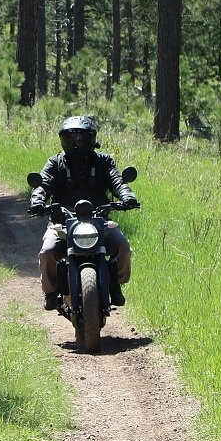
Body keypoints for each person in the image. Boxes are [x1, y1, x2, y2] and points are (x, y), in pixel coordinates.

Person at [28, 115, 138, 311]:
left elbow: (117, 182)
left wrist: (127, 197)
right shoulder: (55, 163)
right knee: (47, 252)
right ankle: (51, 292)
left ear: (92, 139)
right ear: (63, 140)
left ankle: (115, 284)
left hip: (99, 220)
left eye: (82, 138)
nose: (77, 143)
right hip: (62, 222)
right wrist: (37, 201)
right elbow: (43, 185)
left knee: (123, 247)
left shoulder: (104, 162)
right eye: (72, 139)